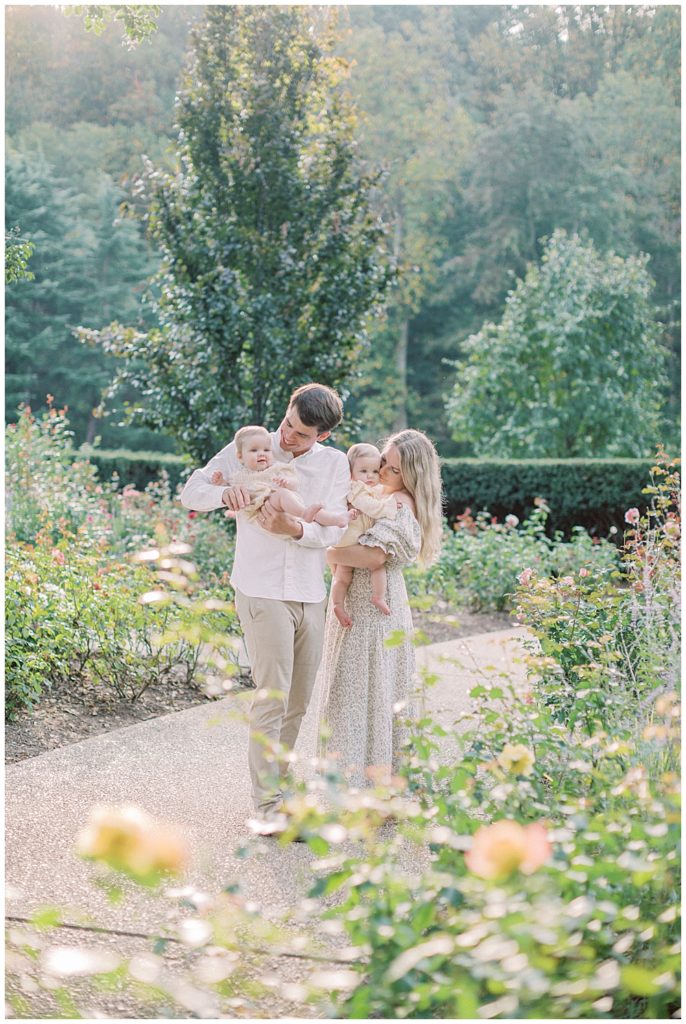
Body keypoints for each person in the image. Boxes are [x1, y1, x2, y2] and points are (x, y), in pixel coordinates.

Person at [180, 384, 350, 818]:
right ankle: (267, 805)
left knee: (298, 702)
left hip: (310, 594)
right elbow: (191, 490)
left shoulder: (334, 465)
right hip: (260, 589)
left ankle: (280, 791)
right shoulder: (251, 445)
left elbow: (337, 531)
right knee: (272, 695)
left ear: (323, 436)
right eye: (287, 423)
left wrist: (294, 531)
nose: (286, 437)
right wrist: (224, 495)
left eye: (300, 434)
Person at [319, 429, 443, 788]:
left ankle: (360, 786)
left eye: (390, 468)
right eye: (382, 464)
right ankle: (372, 785)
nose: (380, 473)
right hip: (370, 602)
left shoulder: (400, 504)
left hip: (371, 612)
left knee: (360, 694)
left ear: (410, 475)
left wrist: (322, 550)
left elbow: (373, 554)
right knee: (372, 693)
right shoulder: (384, 500)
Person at [209, 425, 349, 528]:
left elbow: (295, 484)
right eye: (254, 450)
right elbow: (229, 488)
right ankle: (311, 514)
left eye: (266, 450)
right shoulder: (240, 475)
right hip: (259, 508)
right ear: (240, 456)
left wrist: (287, 482)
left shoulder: (276, 468)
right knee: (285, 497)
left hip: (277, 502)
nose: (261, 454)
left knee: (284, 495)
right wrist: (220, 482)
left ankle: (335, 519)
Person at [330, 442, 401, 626]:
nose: (370, 476)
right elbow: (373, 509)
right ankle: (372, 598)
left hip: (352, 536)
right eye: (363, 471)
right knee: (371, 566)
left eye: (375, 471)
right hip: (351, 538)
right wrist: (389, 506)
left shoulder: (370, 488)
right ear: (351, 472)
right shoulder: (356, 490)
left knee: (345, 573)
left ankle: (343, 603)